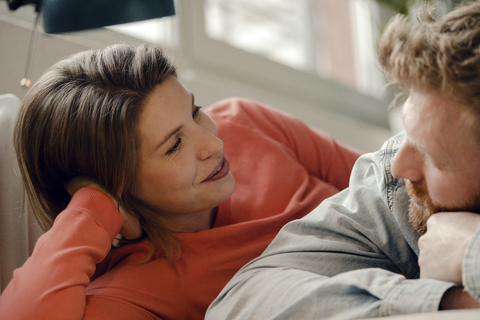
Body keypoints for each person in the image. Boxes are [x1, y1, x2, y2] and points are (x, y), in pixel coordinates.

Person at [0, 44, 360, 319]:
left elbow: (394, 178)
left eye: (195, 112)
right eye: (174, 145)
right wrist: (90, 211)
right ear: (112, 187)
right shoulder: (137, 290)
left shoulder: (244, 118)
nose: (215, 144)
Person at [206, 1, 480, 319]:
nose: (400, 166)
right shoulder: (395, 188)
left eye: (434, 158)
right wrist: (450, 302)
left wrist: (471, 253)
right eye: (409, 135)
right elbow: (239, 304)